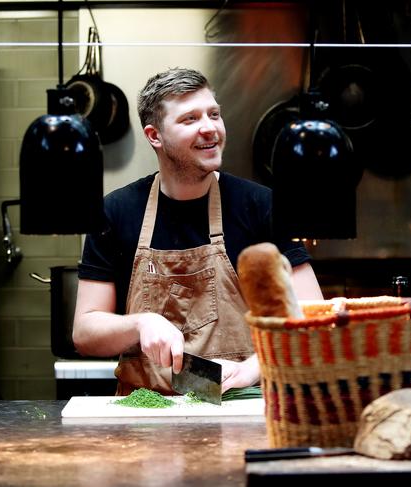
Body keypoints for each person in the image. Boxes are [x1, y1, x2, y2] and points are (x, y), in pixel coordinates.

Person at [72, 67, 323, 396]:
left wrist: (252, 368)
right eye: (190, 119)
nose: (210, 128)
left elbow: (313, 319)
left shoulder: (261, 206)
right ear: (154, 136)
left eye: (214, 114)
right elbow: (85, 332)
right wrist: (140, 323)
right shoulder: (116, 211)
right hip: (146, 419)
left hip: (238, 407)